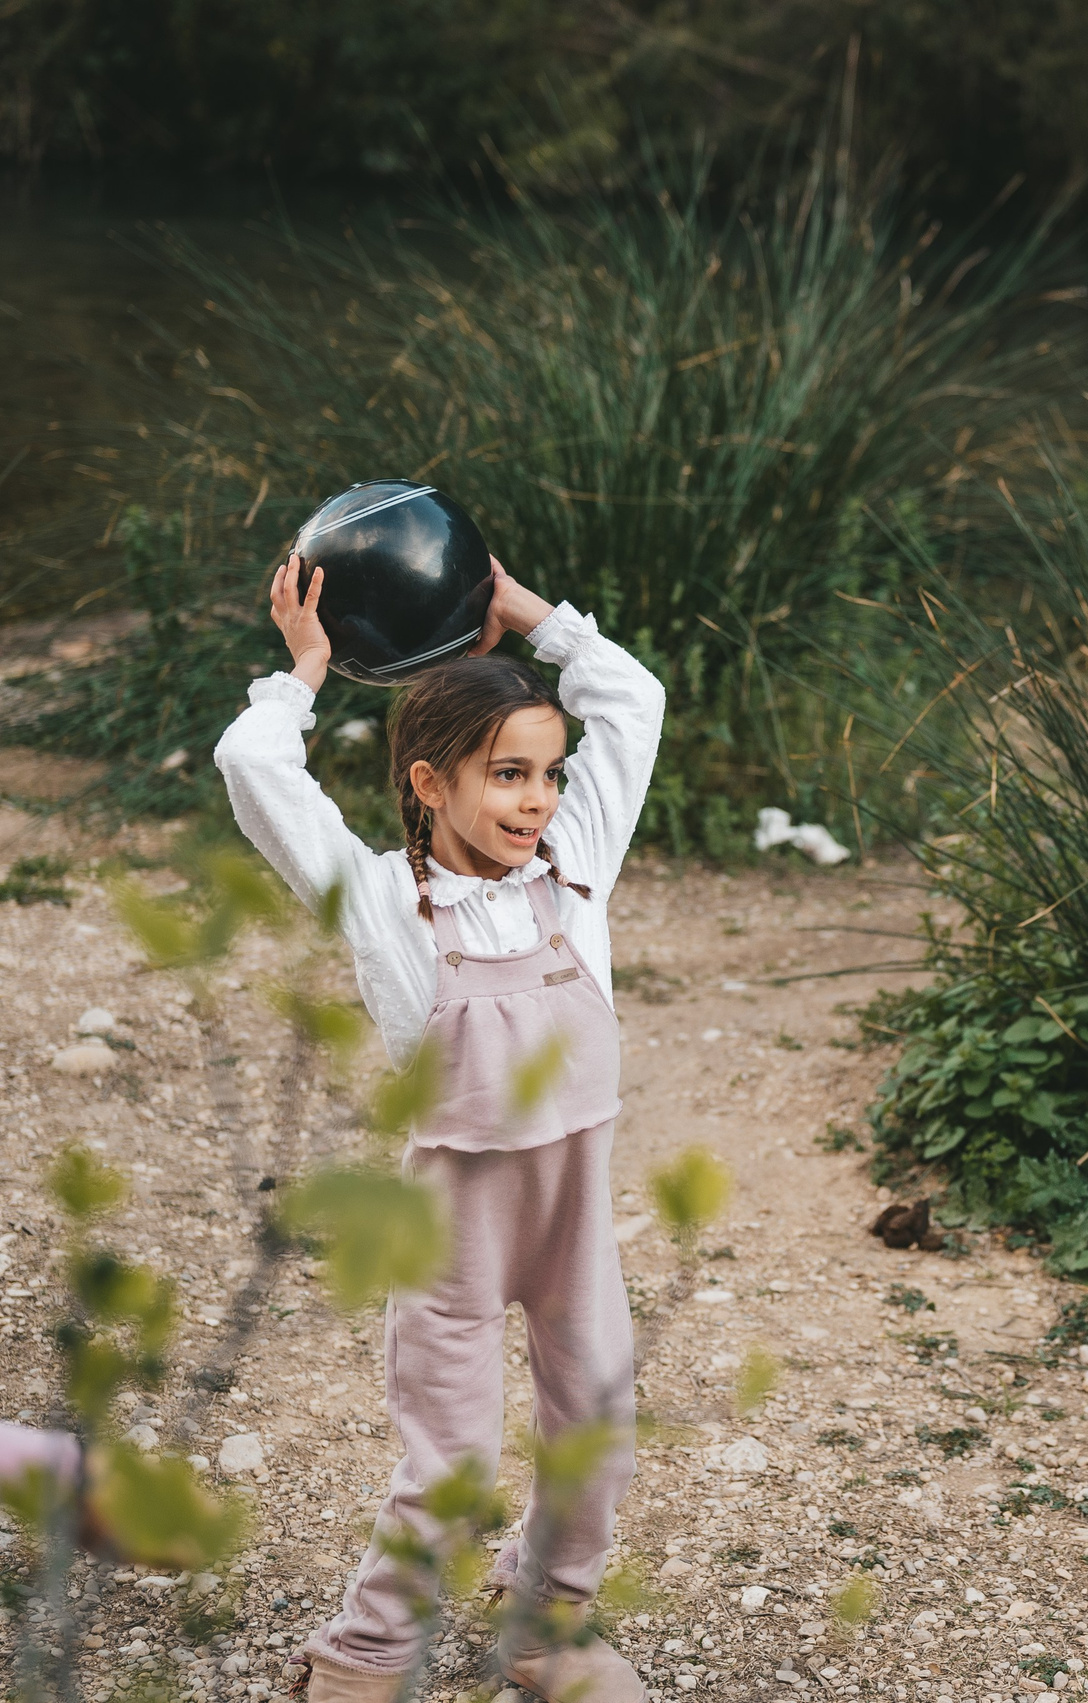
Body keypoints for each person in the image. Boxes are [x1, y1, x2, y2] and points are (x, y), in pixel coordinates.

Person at [214, 551, 665, 1703]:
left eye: (550, 774)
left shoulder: (577, 869)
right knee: (453, 1461)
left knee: (597, 1419)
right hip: (452, 1225)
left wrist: (524, 616)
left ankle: (544, 1625)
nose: (537, 800)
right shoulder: (377, 897)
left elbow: (634, 698)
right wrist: (305, 670)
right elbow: (252, 766)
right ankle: (364, 1653)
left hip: (572, 1212)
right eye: (507, 774)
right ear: (428, 779)